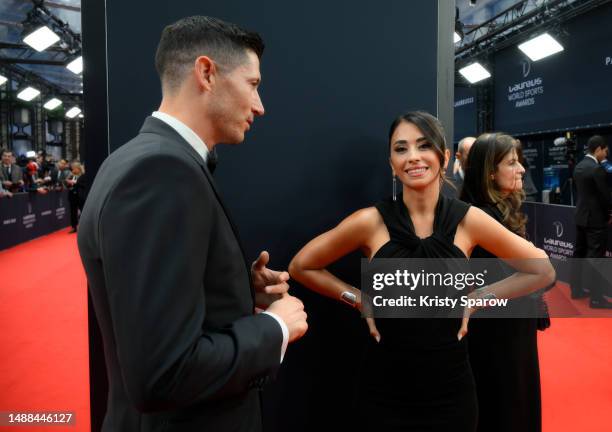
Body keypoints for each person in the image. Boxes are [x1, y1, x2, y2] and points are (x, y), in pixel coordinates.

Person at [77, 16, 308, 432]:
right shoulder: (160, 171)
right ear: (206, 73)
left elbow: (155, 315)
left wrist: (236, 289)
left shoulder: (138, 161)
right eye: (253, 84)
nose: (260, 105)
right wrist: (274, 329)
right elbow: (163, 374)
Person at [289, 111, 554, 431]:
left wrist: (480, 298)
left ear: (442, 157)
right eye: (401, 149)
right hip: (383, 391)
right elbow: (302, 266)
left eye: (423, 146)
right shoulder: (369, 222)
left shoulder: (468, 220)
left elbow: (542, 271)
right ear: (391, 162)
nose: (412, 157)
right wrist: (359, 300)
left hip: (451, 392)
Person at [460, 132, 546, 432]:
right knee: (506, 404)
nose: (522, 168)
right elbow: (539, 271)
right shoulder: (484, 216)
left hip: (511, 327)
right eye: (512, 162)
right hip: (497, 335)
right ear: (490, 172)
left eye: (519, 161)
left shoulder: (498, 212)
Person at [570, 135, 612, 308]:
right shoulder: (596, 169)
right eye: (605, 150)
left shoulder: (579, 166)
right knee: (596, 260)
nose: (606, 154)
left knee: (578, 255)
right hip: (595, 220)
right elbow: (605, 196)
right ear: (598, 149)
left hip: (580, 217)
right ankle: (596, 299)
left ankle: (576, 290)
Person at [66, 161, 87, 233]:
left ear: (78, 168)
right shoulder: (71, 176)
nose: (73, 170)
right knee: (73, 212)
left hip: (80, 196)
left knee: (83, 211)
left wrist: (75, 183)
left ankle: (84, 226)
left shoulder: (83, 176)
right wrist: (69, 183)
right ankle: (74, 227)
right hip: (72, 196)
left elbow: (84, 185)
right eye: (72, 169)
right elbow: (67, 185)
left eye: (74, 169)